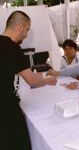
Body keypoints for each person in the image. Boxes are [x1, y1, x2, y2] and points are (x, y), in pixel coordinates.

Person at [0, 11, 57, 150]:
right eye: (27, 30)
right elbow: (31, 80)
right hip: (6, 109)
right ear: (19, 27)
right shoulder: (12, 48)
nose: (26, 34)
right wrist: (48, 80)